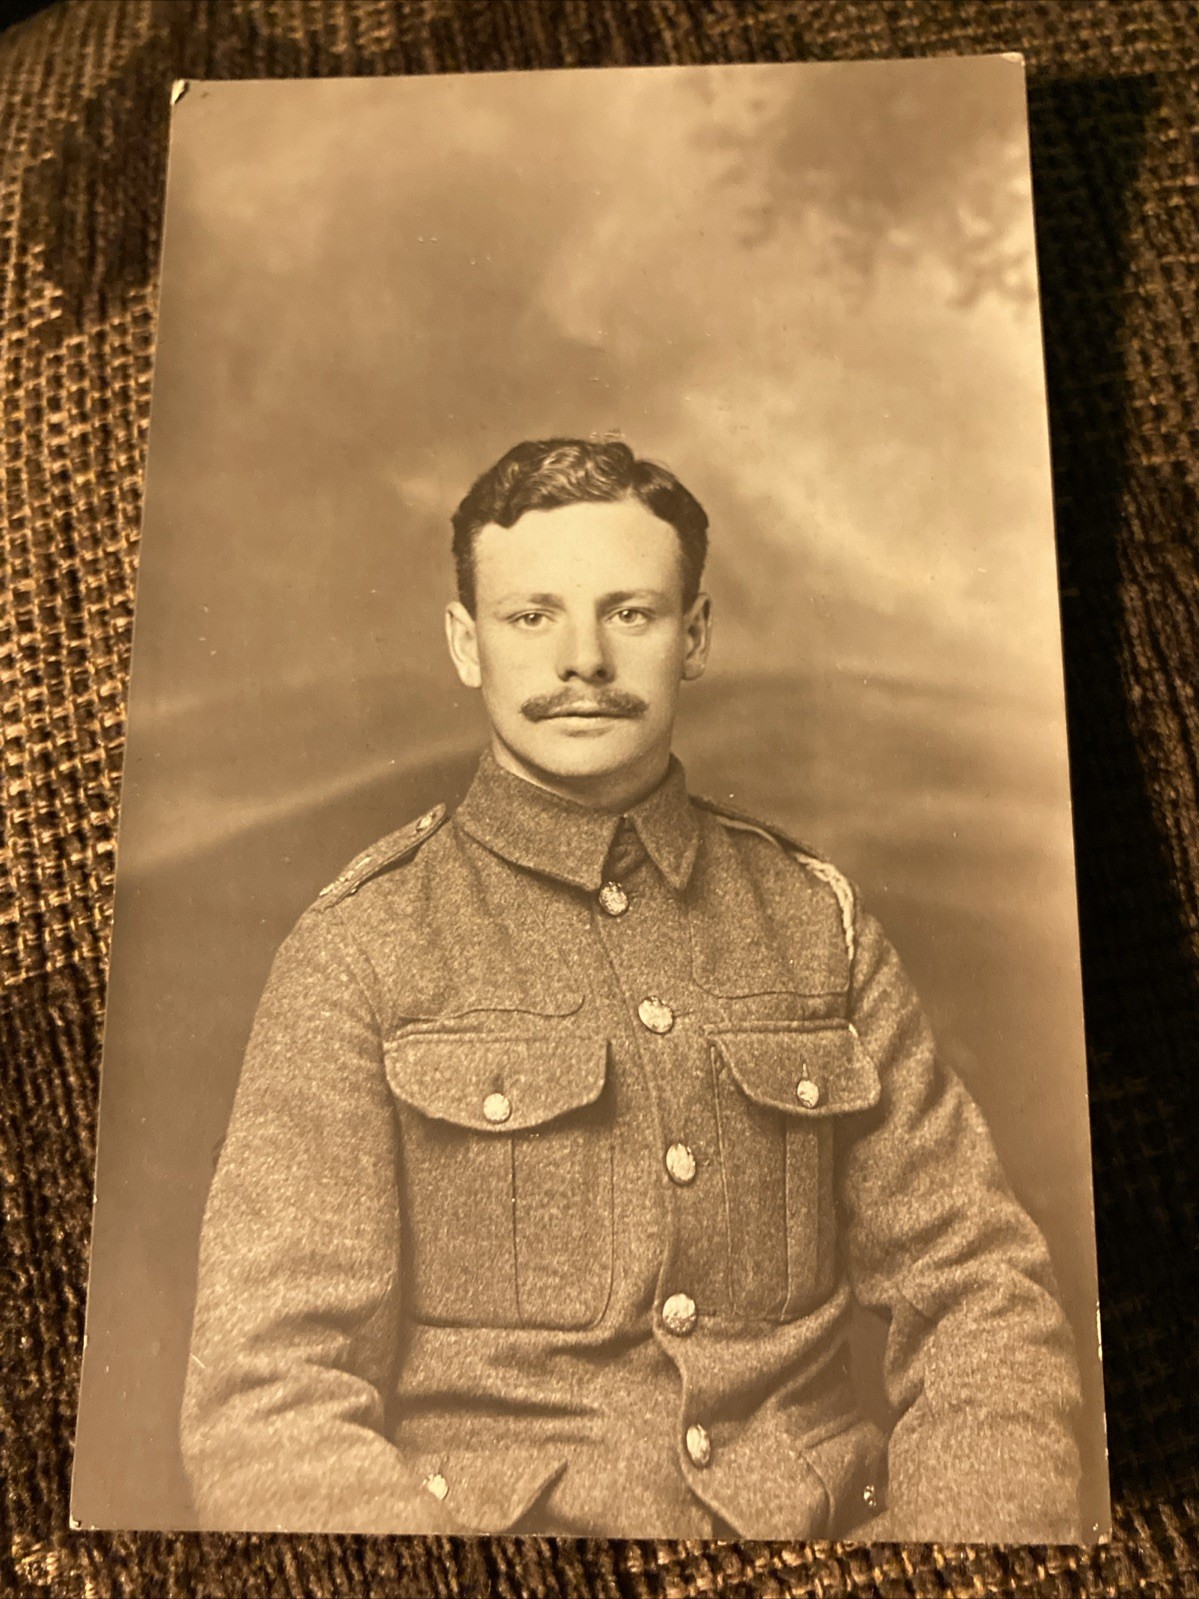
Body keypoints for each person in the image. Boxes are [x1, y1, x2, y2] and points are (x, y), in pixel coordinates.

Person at [180, 437, 1083, 1540]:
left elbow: (979, 1292)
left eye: (631, 614)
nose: (582, 661)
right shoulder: (361, 946)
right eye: (530, 617)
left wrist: (940, 1566)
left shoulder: (814, 921)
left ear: (691, 635)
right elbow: (266, 1393)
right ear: (466, 644)